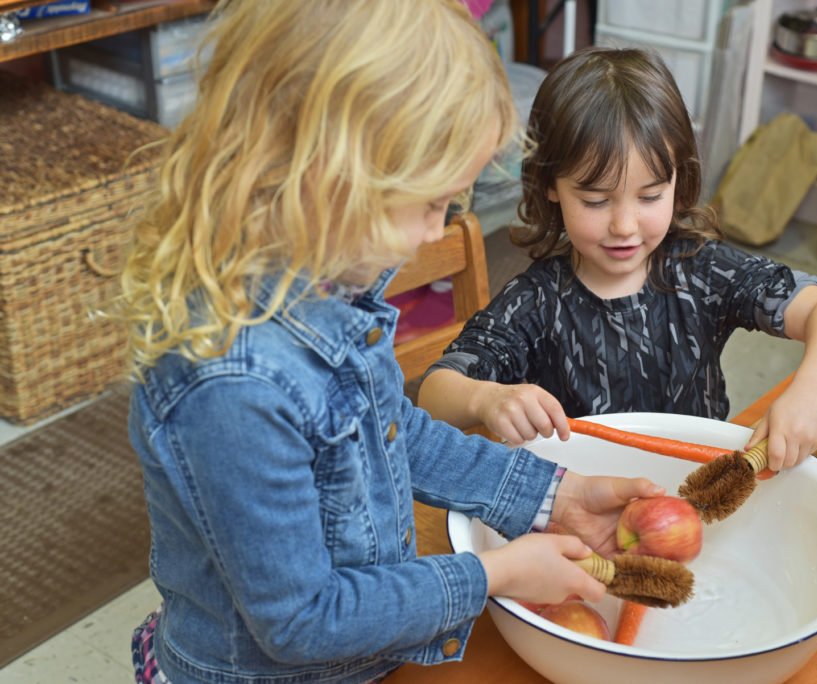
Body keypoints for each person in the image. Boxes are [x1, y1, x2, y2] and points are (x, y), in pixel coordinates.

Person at [115, 4, 664, 683]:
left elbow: (393, 430)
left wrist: (553, 497)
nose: (440, 231)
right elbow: (300, 619)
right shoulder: (234, 385)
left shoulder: (325, 280)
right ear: (330, 175)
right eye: (432, 202)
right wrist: (490, 574)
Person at [418, 46, 817, 472]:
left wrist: (812, 394)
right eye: (596, 201)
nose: (625, 226)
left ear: (677, 179)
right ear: (550, 185)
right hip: (583, 511)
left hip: (699, 493)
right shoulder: (535, 302)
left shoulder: (702, 271)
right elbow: (435, 393)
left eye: (650, 196)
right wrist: (486, 400)